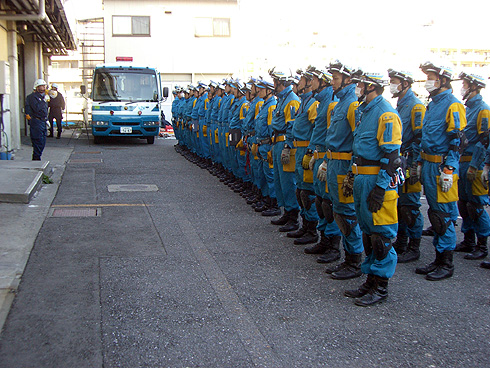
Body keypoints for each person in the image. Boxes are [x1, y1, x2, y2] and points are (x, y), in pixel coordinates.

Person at [343, 69, 402, 306]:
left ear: (371, 87)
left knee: (382, 237)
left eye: (361, 84)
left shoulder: (385, 114)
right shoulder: (363, 111)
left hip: (376, 181)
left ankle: (381, 287)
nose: (357, 87)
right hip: (361, 178)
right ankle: (370, 280)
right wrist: (350, 174)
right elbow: (358, 150)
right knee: (368, 233)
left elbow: (392, 156)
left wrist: (380, 188)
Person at [414, 61, 467, 281]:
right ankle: (437, 259)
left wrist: (449, 169)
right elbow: (425, 138)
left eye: (432, 77)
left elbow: (458, 141)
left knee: (443, 215)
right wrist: (418, 162)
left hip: (442, 168)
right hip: (428, 163)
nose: (428, 81)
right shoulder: (433, 104)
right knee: (434, 213)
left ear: (443, 80)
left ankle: (446, 262)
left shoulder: (453, 105)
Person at [319, 60, 364, 280]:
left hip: (344, 166)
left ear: (347, 80)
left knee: (347, 215)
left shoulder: (352, 105)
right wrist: (327, 160)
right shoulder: (341, 104)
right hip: (334, 163)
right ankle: (347, 257)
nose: (332, 82)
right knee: (337, 211)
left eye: (336, 79)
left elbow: (358, 139)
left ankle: (354, 261)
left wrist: (352, 171)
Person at [388, 69, 426, 263]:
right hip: (400, 161)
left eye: (394, 81)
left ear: (405, 84)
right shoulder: (400, 105)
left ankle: (414, 246)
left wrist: (416, 165)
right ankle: (401, 242)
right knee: (400, 204)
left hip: (410, 161)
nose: (391, 85)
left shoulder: (416, 106)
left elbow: (419, 138)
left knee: (410, 206)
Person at [454, 71, 490, 260]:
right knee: (463, 203)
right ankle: (468, 240)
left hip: (473, 163)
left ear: (475, 86)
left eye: (466, 84)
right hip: (462, 161)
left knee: (476, 204)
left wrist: (476, 166)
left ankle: (482, 245)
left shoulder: (483, 109)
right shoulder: (466, 108)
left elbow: (484, 141)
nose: (464, 87)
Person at [287, 67, 320, 245]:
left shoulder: (313, 103)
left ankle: (312, 229)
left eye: (300, 81)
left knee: (308, 192)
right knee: (301, 190)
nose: (297, 84)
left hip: (306, 149)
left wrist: (311, 151)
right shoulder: (303, 102)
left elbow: (317, 129)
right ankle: (306, 226)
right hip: (299, 149)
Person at [268, 67, 301, 226]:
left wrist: (288, 146)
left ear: (280, 82)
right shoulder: (282, 99)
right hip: (278, 142)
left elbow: (292, 126)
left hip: (285, 143)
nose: (273, 84)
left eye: (275, 81)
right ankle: (286, 212)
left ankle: (293, 216)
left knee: (288, 182)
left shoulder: (292, 100)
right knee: (280, 180)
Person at [25, 79, 49, 160]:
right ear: (37, 87)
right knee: (38, 141)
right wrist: (43, 101)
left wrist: (46, 119)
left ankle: (37, 157)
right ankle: (36, 159)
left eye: (44, 86)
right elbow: (36, 108)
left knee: (43, 141)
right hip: (36, 121)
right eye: (42, 86)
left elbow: (45, 109)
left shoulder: (43, 97)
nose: (43, 88)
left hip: (42, 121)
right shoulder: (32, 97)